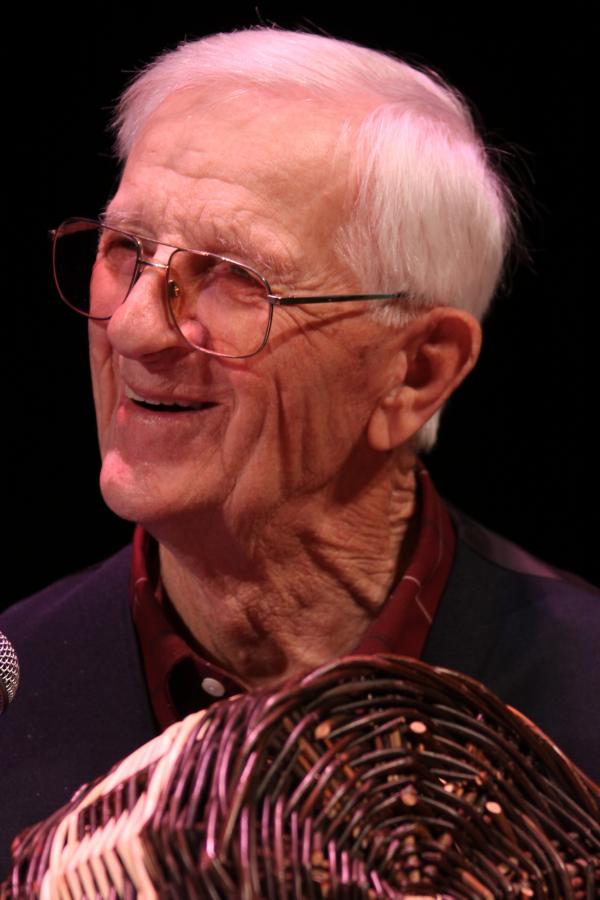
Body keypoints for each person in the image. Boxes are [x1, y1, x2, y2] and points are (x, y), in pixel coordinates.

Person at [1, 28, 598, 877]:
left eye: (234, 276)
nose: (133, 327)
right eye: (126, 252)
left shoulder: (585, 705)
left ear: (417, 372)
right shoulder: (14, 688)